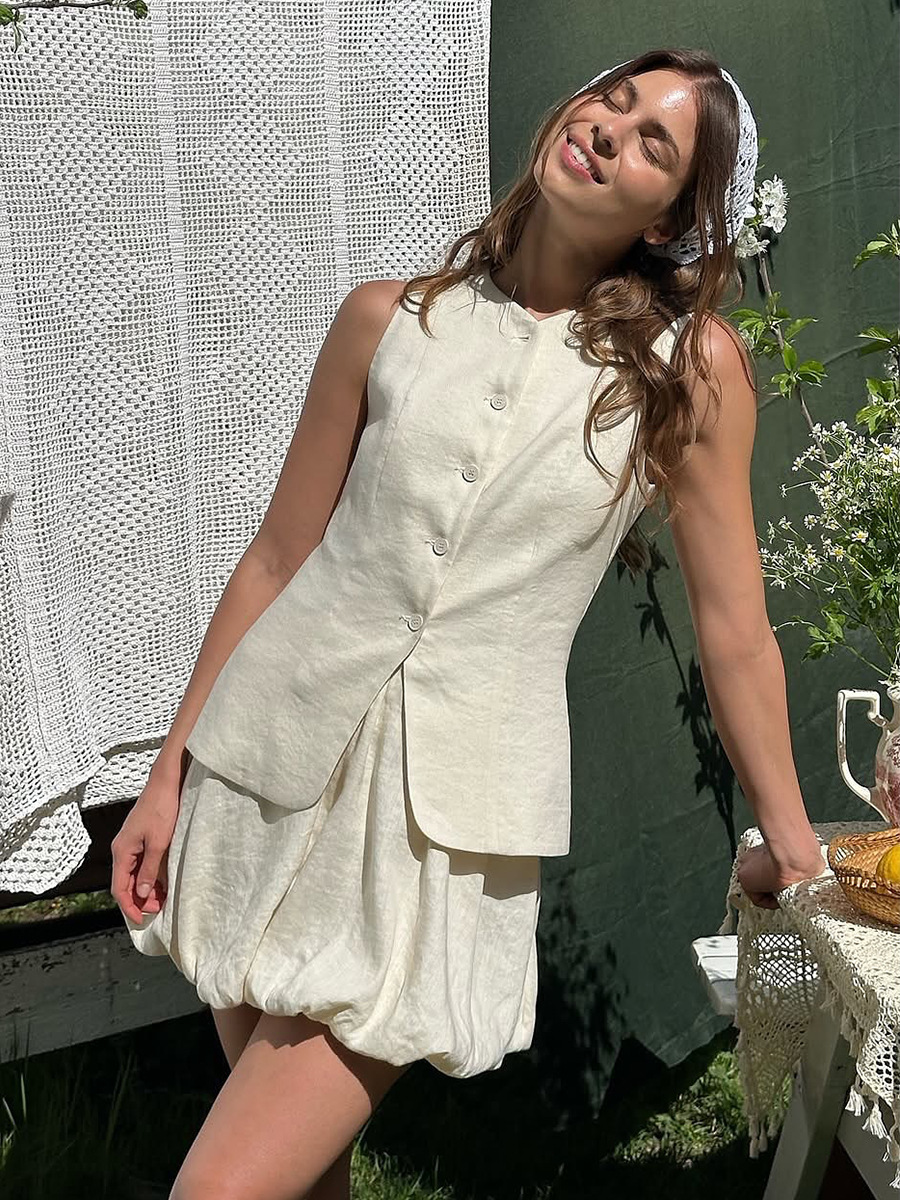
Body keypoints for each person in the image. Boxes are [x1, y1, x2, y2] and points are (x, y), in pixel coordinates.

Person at [111, 46, 827, 1200]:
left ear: (669, 219)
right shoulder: (386, 319)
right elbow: (277, 560)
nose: (610, 129)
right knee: (302, 1180)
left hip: (444, 830)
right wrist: (169, 772)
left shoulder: (684, 372)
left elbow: (734, 628)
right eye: (613, 100)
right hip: (262, 770)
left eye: (654, 142)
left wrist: (790, 840)